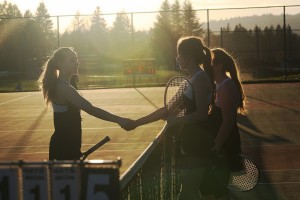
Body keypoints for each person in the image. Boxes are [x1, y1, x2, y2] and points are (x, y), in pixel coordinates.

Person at [127, 36, 216, 200]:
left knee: (188, 194)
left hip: (198, 143)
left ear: (187, 57)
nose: (177, 58)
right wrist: (136, 123)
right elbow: (166, 110)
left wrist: (177, 120)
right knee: (189, 193)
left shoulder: (200, 79)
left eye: (178, 55)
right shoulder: (189, 80)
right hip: (189, 142)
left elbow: (202, 114)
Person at [38, 47, 132, 160]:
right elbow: (91, 109)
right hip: (64, 149)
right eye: (72, 60)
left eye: (76, 59)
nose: (77, 63)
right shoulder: (63, 88)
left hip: (68, 147)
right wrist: (119, 120)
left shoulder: (65, 86)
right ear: (60, 64)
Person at [200, 48, 247, 200]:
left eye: (209, 63)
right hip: (218, 145)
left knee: (218, 190)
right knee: (208, 188)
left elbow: (228, 122)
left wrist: (217, 146)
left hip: (223, 146)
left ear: (219, 66)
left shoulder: (227, 86)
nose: (205, 66)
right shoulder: (218, 86)